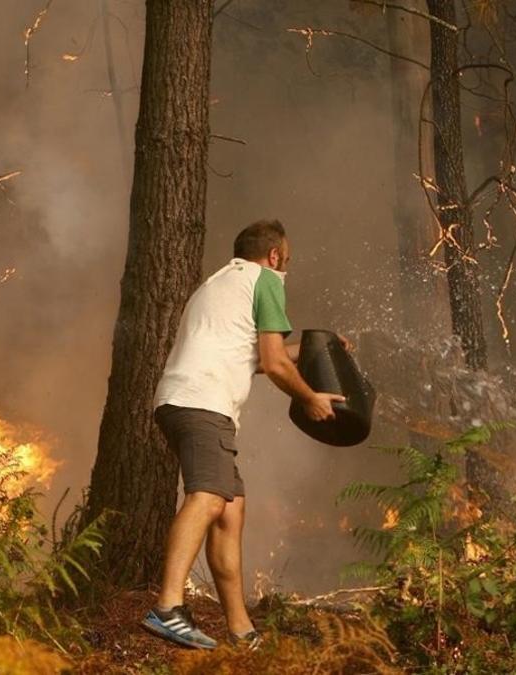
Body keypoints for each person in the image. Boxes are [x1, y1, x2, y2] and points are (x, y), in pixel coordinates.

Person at [140, 219, 348, 651]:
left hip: (184, 400)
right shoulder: (266, 280)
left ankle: (241, 631)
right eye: (286, 259)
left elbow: (250, 357)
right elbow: (274, 364)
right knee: (210, 496)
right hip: (204, 404)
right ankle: (167, 607)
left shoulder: (220, 284)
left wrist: (316, 351)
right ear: (274, 255)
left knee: (230, 509)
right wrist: (310, 398)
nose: (285, 267)